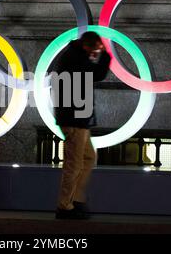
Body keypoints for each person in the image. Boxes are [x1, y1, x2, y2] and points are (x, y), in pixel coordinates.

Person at [52, 31, 111, 220]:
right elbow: (96, 74)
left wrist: (100, 56)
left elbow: (93, 74)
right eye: (95, 49)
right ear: (87, 45)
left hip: (78, 119)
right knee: (74, 163)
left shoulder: (76, 56)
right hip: (74, 120)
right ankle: (65, 206)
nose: (96, 52)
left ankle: (74, 200)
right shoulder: (74, 58)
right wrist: (104, 57)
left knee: (87, 157)